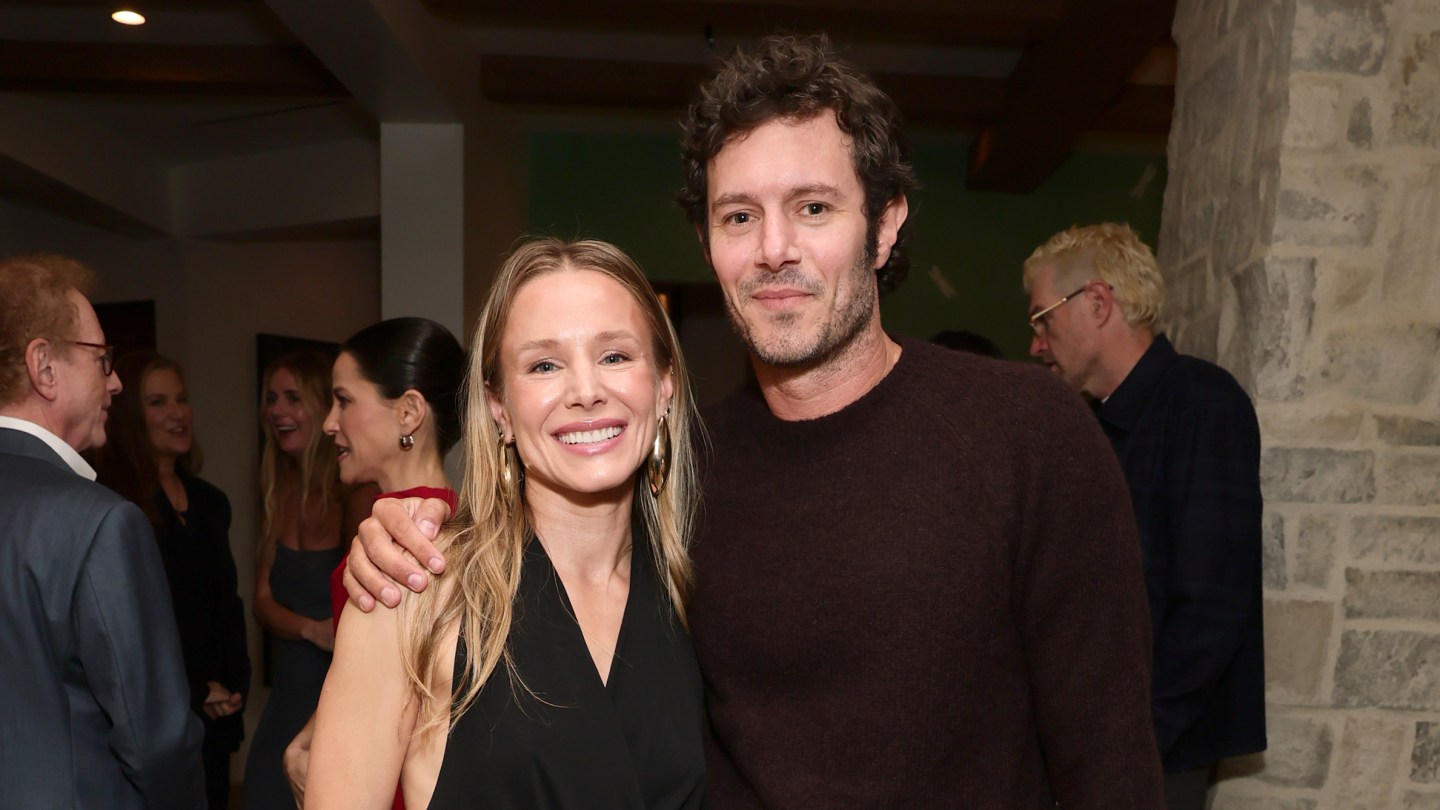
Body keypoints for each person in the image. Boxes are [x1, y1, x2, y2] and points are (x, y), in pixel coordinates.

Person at [343, 35, 1163, 808]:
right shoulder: (679, 475)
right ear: (707, 242)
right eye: (739, 216)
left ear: (885, 225)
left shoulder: (1029, 437)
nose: (774, 249)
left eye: (812, 207)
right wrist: (403, 536)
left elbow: (1112, 767)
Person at [305, 238, 706, 809]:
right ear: (499, 407)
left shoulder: (699, 596)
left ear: (664, 385)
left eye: (615, 356)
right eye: (544, 365)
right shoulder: (415, 590)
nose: (586, 391)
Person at [1024, 223, 1266, 809]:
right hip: (1093, 748)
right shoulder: (1093, 424)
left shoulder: (1202, 402)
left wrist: (1133, 746)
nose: (1035, 344)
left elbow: (1212, 606)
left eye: (1042, 319)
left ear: (1098, 302)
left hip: (1151, 755)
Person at [0, 253, 204, 808]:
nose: (115, 382)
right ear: (44, 368)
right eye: (101, 358)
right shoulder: (100, 522)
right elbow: (155, 741)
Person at [281, 317, 466, 807]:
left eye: (344, 400)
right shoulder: (457, 520)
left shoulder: (404, 545)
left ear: (409, 413)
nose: (329, 423)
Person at [95, 352, 251, 810]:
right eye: (158, 402)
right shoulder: (117, 506)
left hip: (219, 707)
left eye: (182, 399)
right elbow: (134, 621)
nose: (177, 413)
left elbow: (226, 602)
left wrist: (234, 682)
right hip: (158, 710)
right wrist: (195, 690)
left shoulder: (210, 502)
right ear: (132, 418)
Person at [244, 349, 372, 810]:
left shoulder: (355, 495)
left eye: (293, 398)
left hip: (333, 700)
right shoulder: (277, 490)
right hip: (286, 694)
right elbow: (261, 602)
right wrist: (311, 629)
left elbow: (372, 614)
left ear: (323, 408)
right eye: (271, 398)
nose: (278, 410)